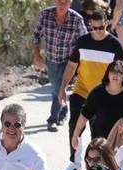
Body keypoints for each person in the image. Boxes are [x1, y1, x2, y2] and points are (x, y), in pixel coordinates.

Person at [58, 8, 123, 170]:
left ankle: (97, 164)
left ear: (107, 24)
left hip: (103, 95)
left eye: (101, 27)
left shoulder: (114, 45)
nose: (98, 31)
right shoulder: (82, 42)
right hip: (81, 91)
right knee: (75, 126)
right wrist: (62, 89)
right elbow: (71, 67)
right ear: (89, 25)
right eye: (94, 28)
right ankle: (75, 163)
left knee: (98, 132)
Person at [33, 0, 88, 132]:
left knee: (58, 89)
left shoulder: (76, 19)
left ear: (70, 2)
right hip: (51, 60)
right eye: (59, 1)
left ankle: (52, 119)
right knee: (56, 89)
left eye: (65, 2)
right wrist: (37, 55)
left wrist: (81, 62)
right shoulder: (45, 15)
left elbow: (85, 41)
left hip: (69, 62)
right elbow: (36, 36)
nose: (62, 4)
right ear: (54, 1)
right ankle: (63, 111)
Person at [71, 60, 123, 151]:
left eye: (120, 72)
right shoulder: (98, 91)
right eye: (112, 71)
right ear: (107, 74)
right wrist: (76, 134)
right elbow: (85, 114)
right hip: (100, 140)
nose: (115, 75)